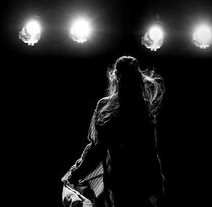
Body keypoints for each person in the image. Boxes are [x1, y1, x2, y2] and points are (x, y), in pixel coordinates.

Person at [62, 56, 165, 207]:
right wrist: (157, 183)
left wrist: (75, 174)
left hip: (117, 185)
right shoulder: (143, 107)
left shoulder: (106, 106)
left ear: (115, 76)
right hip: (141, 184)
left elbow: (96, 148)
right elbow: (150, 151)